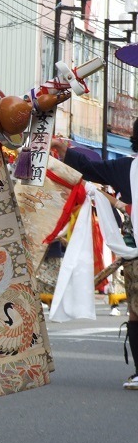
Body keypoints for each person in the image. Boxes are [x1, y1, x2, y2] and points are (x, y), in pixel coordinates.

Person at [52, 131, 138, 390]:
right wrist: (62, 149)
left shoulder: (128, 167)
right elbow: (90, 168)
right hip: (135, 252)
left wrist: (61, 148)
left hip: (134, 250)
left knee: (136, 312)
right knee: (135, 311)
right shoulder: (127, 166)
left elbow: (91, 168)